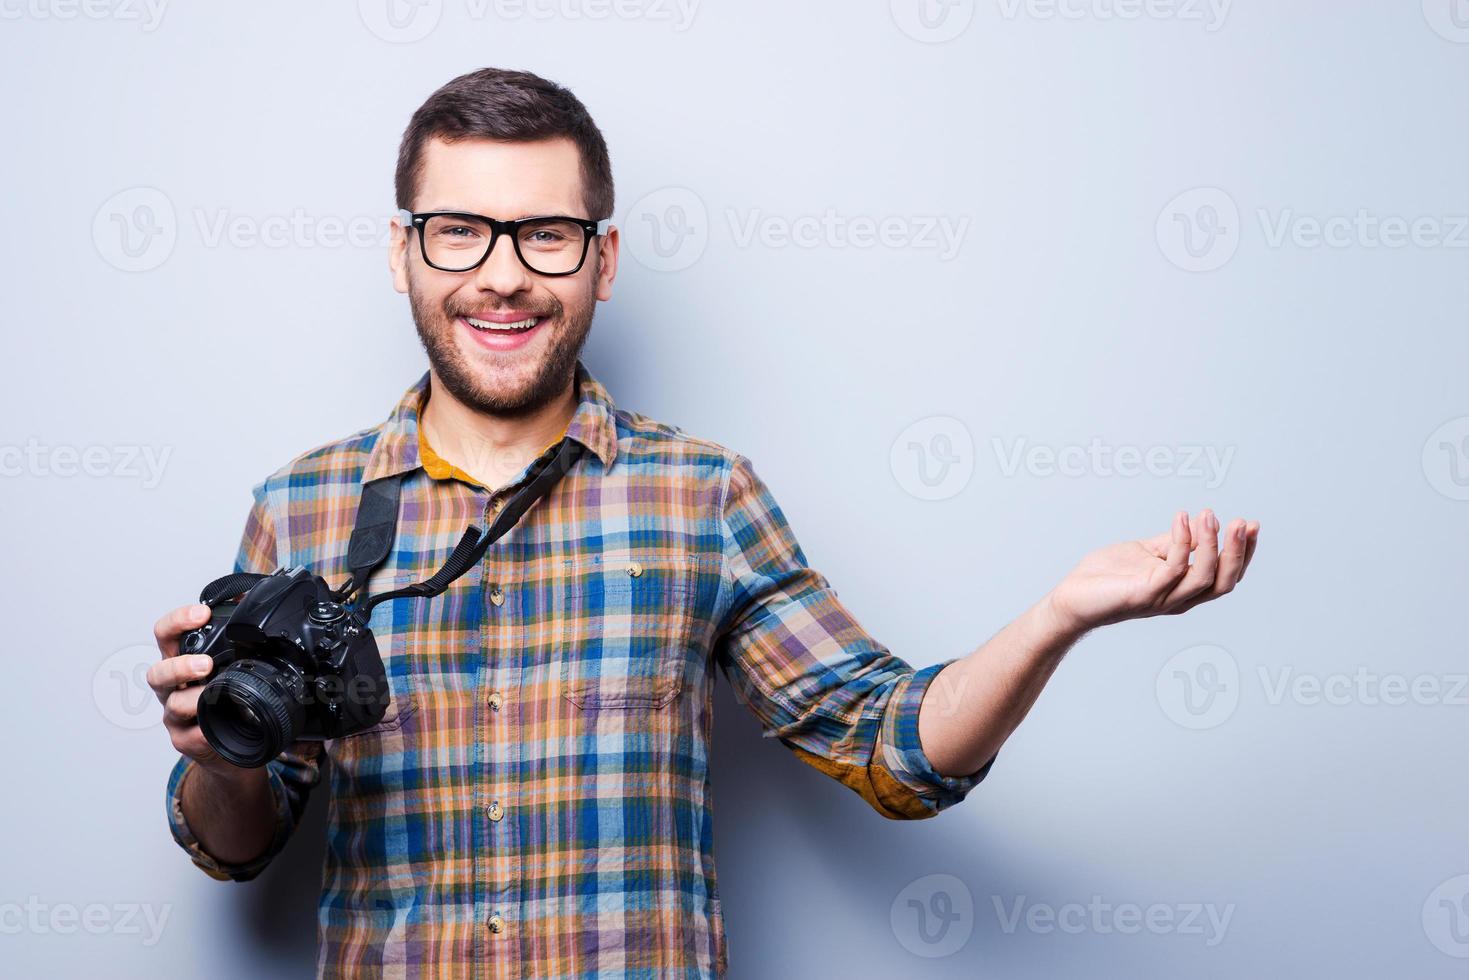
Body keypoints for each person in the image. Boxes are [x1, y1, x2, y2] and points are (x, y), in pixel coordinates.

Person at [148, 67, 1260, 978]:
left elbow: (891, 747)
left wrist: (1056, 615)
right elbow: (236, 846)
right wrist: (219, 752)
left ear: (602, 259)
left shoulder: (702, 495)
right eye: (458, 232)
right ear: (402, 254)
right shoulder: (297, 507)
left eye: (545, 233)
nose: (501, 276)